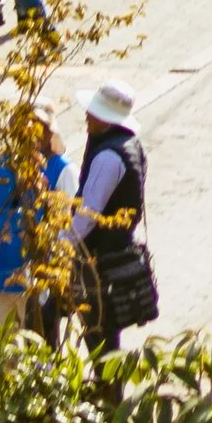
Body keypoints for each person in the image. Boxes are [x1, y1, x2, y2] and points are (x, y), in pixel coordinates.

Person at [68, 79, 156, 354]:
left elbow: (87, 214)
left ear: (105, 119)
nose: (86, 116)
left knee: (99, 334)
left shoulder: (108, 156)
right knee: (107, 333)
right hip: (117, 250)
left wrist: (60, 246)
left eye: (92, 112)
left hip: (99, 260)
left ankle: (109, 393)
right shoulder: (130, 145)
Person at [0, 113, 73, 372]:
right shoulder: (0, 165)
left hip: (37, 278)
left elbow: (70, 222)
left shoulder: (61, 169)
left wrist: (50, 255)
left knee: (37, 348)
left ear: (47, 133)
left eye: (37, 129)